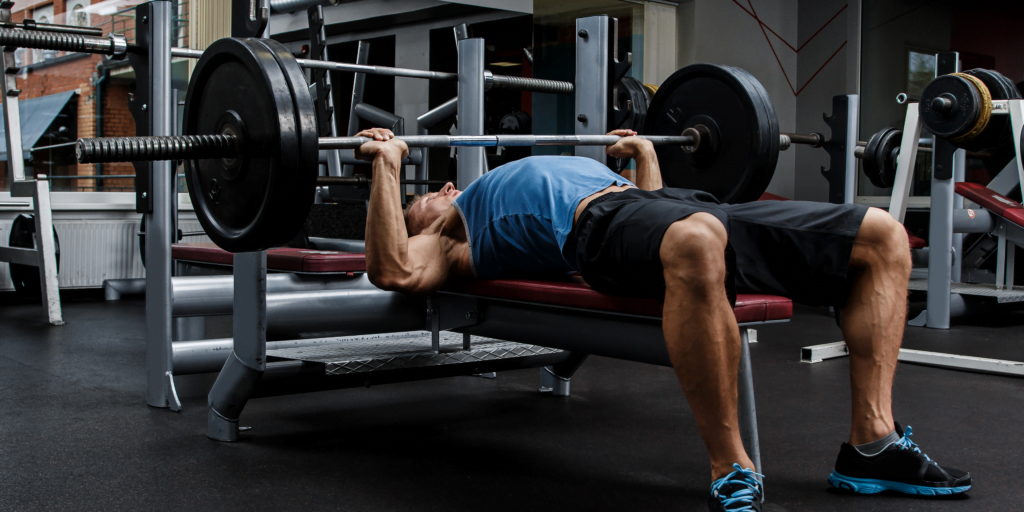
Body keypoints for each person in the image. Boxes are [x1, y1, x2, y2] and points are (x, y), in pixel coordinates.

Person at [354, 127, 971, 511]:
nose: (434, 192)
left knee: (882, 236)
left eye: (430, 190)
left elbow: (649, 211)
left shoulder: (478, 191)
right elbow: (393, 269)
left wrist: (644, 154)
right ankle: (732, 467)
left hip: (665, 205)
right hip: (596, 229)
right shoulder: (451, 237)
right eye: (419, 199)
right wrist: (387, 164)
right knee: (696, 241)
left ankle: (872, 442)